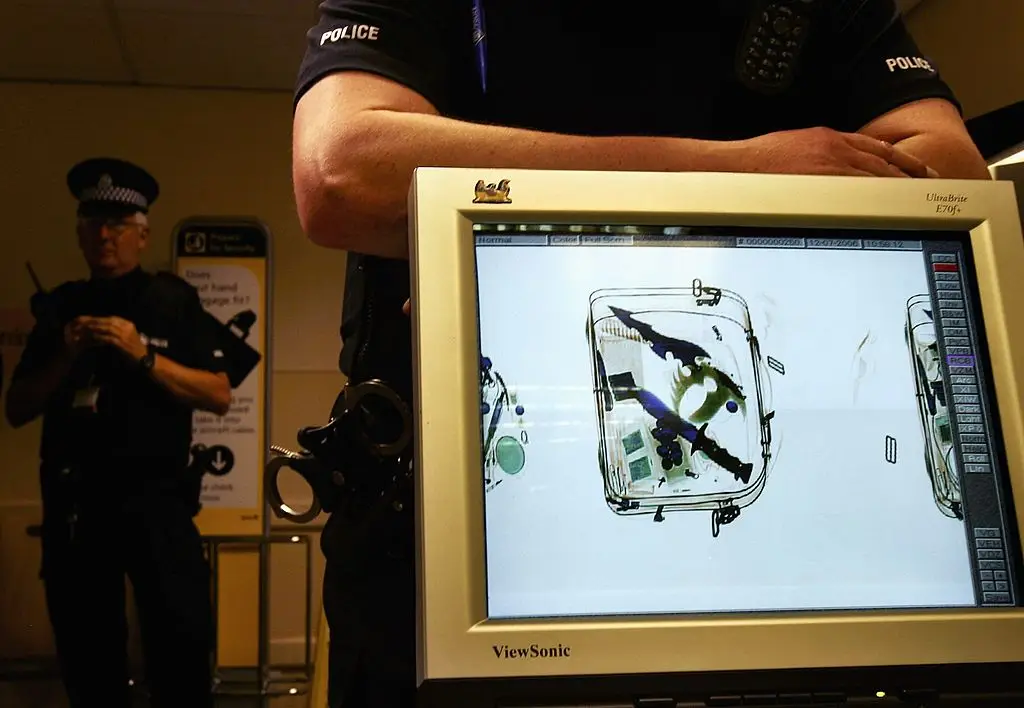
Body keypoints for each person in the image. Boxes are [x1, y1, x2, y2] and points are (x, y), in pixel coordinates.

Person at [289, 1, 991, 706]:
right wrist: (738, 171)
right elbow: (341, 172)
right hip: (442, 542)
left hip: (742, 577)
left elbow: (951, 176)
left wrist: (521, 207)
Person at [4, 157, 231, 708]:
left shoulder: (170, 301)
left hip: (158, 506)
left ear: (142, 234)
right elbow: (17, 408)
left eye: (118, 225)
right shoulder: (61, 308)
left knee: (181, 655)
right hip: (78, 512)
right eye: (93, 224)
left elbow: (218, 393)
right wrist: (66, 354)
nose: (105, 236)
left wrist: (142, 355)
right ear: (80, 234)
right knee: (90, 668)